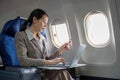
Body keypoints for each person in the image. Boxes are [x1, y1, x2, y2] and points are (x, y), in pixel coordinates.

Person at [14, 8, 73, 80]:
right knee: (61, 73)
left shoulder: (43, 38)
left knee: (62, 71)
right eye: (44, 22)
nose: (45, 26)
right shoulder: (21, 36)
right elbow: (23, 61)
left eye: (46, 24)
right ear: (35, 19)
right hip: (34, 74)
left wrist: (60, 50)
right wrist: (47, 62)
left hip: (46, 72)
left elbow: (47, 59)